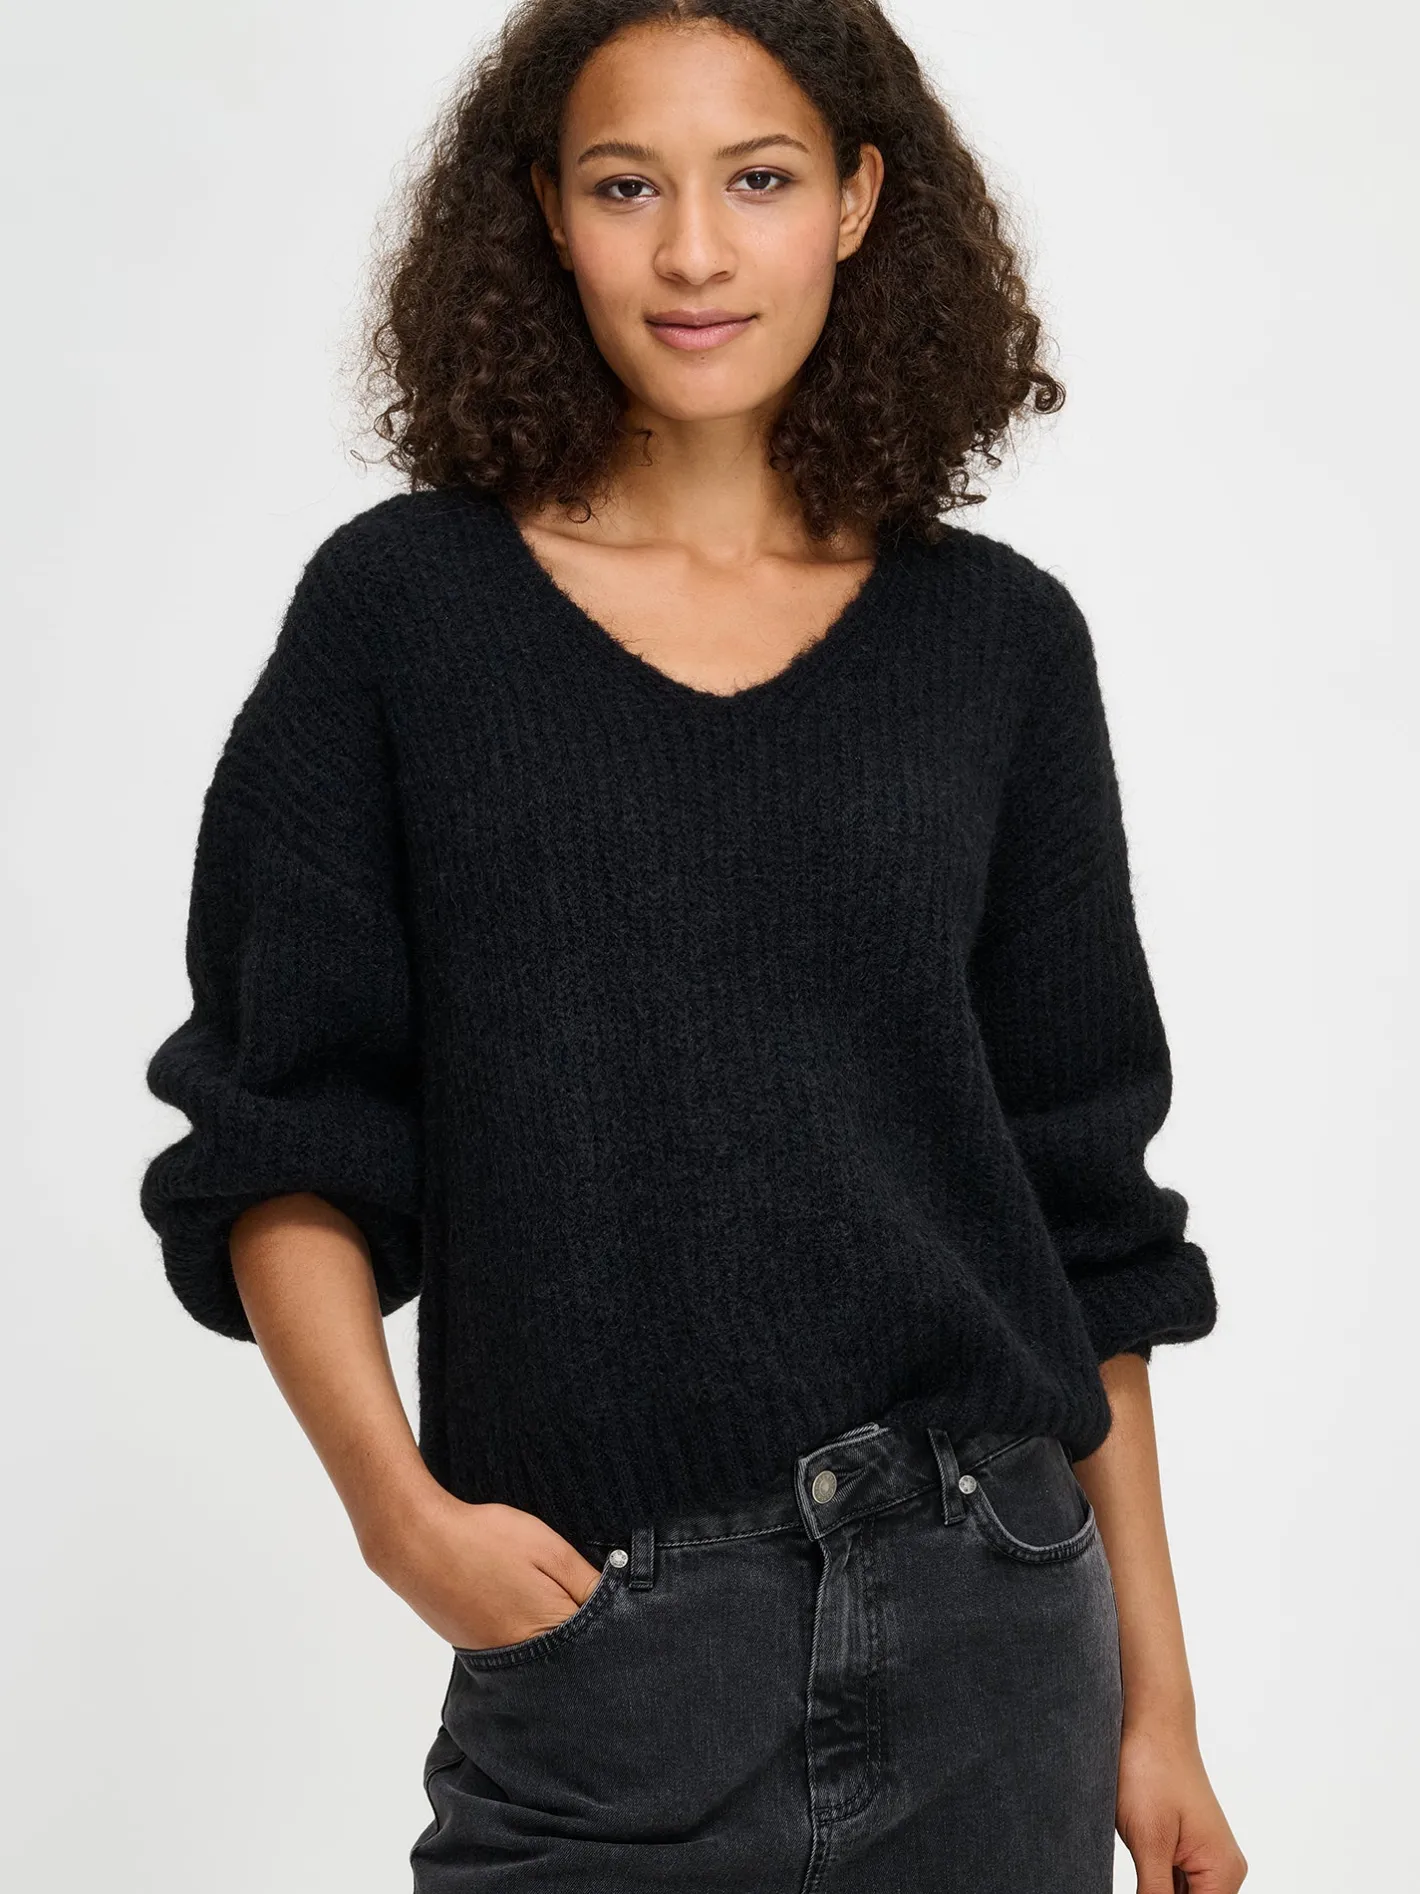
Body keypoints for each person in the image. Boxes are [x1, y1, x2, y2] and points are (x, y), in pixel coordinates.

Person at [139, 2, 1247, 1888]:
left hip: (993, 1633)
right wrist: (399, 1517)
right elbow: (281, 1128)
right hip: (606, 1657)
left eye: (760, 179)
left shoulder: (1000, 647)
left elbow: (1087, 1217)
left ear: (857, 201)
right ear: (546, 215)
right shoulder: (403, 616)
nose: (695, 253)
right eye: (626, 186)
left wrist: (1163, 1710)